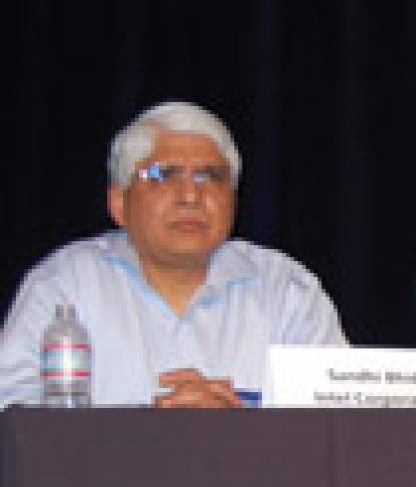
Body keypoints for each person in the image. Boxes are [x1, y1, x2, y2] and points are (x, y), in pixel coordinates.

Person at [0, 101, 347, 408]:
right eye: (164, 175)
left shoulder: (287, 291)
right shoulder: (68, 284)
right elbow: (12, 416)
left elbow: (337, 430)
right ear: (119, 202)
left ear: (235, 200)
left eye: (210, 176)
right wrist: (150, 436)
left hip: (251, 480)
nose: (191, 196)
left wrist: (241, 428)